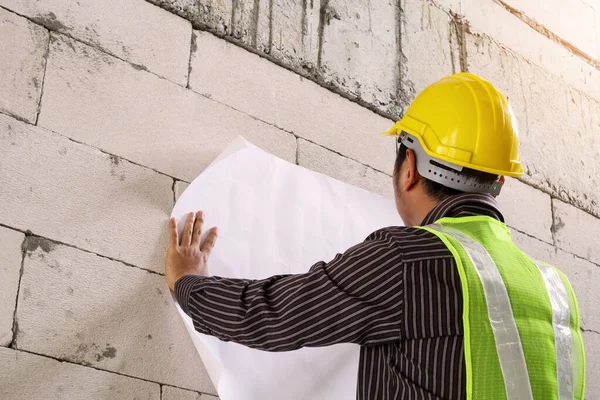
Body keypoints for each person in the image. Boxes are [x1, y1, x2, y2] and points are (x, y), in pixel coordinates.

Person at [165, 73, 585, 399]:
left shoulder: (407, 259)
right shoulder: (555, 288)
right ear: (498, 182)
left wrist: (188, 284)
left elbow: (273, 316)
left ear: (411, 169)